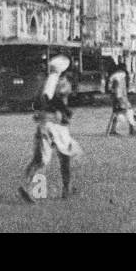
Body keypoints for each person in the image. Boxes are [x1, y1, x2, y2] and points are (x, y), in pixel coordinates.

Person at [19, 55, 82, 202]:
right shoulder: (63, 83)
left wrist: (39, 111)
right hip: (57, 125)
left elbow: (38, 101)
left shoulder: (46, 82)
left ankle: (34, 188)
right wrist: (63, 111)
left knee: (42, 159)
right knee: (63, 157)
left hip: (47, 124)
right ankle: (61, 189)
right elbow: (58, 101)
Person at [107, 63, 136, 135]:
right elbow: (119, 89)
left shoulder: (113, 76)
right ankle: (132, 129)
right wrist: (121, 100)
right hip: (120, 98)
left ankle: (112, 129)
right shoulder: (121, 76)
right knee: (129, 111)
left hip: (115, 97)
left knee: (116, 113)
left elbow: (111, 88)